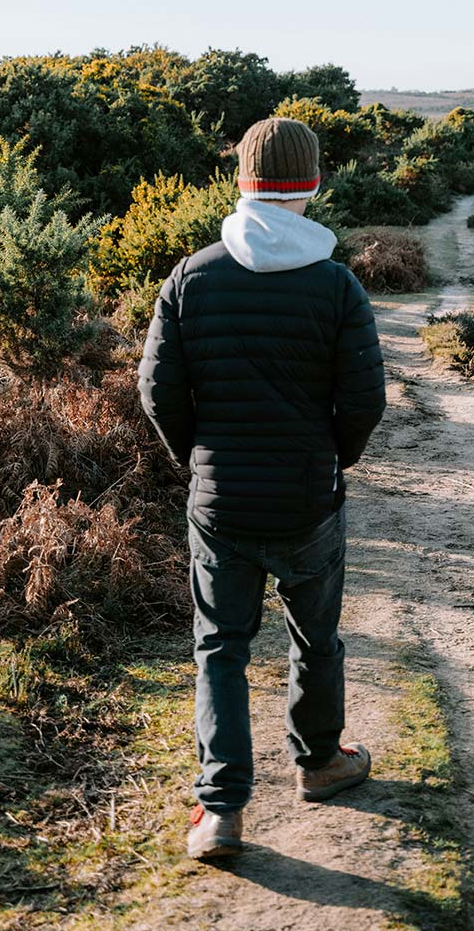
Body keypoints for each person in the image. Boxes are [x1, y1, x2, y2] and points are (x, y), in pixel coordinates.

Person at [138, 115, 387, 859]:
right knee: (316, 637)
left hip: (221, 502)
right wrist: (331, 457)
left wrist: (199, 457)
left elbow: (157, 390)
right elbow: (365, 398)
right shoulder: (337, 285)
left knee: (220, 647)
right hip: (309, 498)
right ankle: (319, 763)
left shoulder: (191, 276)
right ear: (311, 185)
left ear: (241, 182)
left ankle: (220, 812)